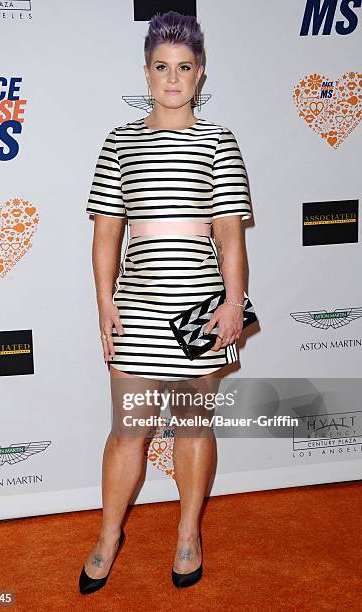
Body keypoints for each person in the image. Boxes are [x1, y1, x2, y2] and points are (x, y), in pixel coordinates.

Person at [79, 10, 252, 594]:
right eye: (161, 68)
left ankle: (187, 533)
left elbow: (229, 235)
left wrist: (233, 304)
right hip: (137, 306)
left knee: (194, 426)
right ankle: (108, 535)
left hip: (201, 307)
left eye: (184, 67)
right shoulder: (119, 141)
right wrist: (104, 302)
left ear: (200, 74)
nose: (173, 78)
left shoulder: (220, 143)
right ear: (146, 73)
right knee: (129, 429)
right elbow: (107, 232)